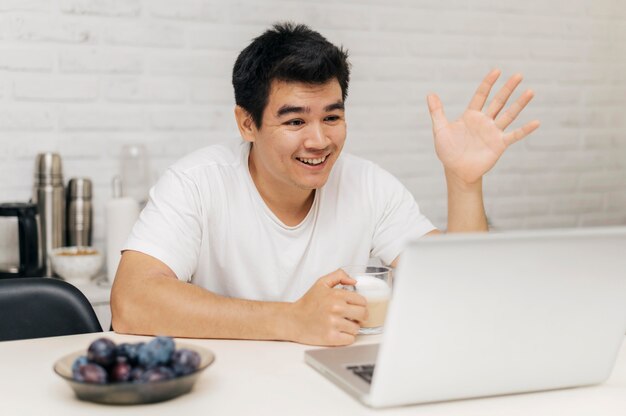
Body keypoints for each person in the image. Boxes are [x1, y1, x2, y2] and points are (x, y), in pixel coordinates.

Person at [110, 22, 539, 346]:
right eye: (295, 120)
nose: (319, 140)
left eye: (332, 117)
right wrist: (291, 319)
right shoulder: (197, 182)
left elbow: (458, 294)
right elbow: (132, 302)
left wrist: (463, 181)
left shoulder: (369, 186)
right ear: (247, 123)